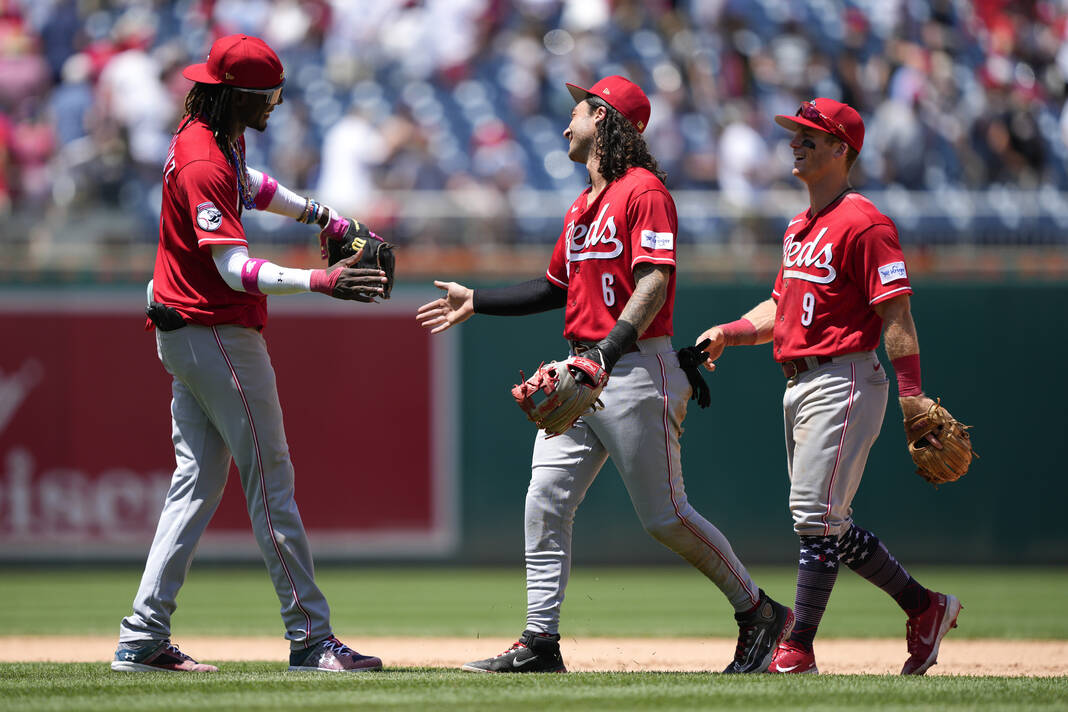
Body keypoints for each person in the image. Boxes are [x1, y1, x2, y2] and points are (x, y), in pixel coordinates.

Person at [417, 76, 794, 674]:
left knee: (664, 517)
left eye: (577, 113)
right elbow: (554, 287)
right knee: (544, 500)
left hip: (636, 366)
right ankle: (541, 642)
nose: (566, 125)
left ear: (606, 119)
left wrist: (605, 355)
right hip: (581, 371)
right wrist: (479, 299)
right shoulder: (581, 205)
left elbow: (654, 282)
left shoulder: (645, 192)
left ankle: (761, 614)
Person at [112, 34, 388, 674]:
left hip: (186, 330)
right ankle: (311, 638)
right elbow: (234, 268)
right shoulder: (205, 156)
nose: (275, 104)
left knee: (194, 487)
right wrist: (322, 280)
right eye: (268, 95)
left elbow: (252, 185)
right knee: (271, 483)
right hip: (215, 331)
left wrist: (325, 218)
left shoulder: (205, 134)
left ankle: (141, 635)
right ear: (239, 95)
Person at [695, 98, 961, 675]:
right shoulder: (799, 226)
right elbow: (780, 306)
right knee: (827, 523)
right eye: (795, 134)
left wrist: (913, 394)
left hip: (844, 376)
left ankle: (797, 647)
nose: (797, 143)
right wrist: (731, 332)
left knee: (813, 518)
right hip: (799, 383)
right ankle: (925, 607)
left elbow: (897, 316)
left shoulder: (865, 222)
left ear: (842, 150)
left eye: (810, 136)